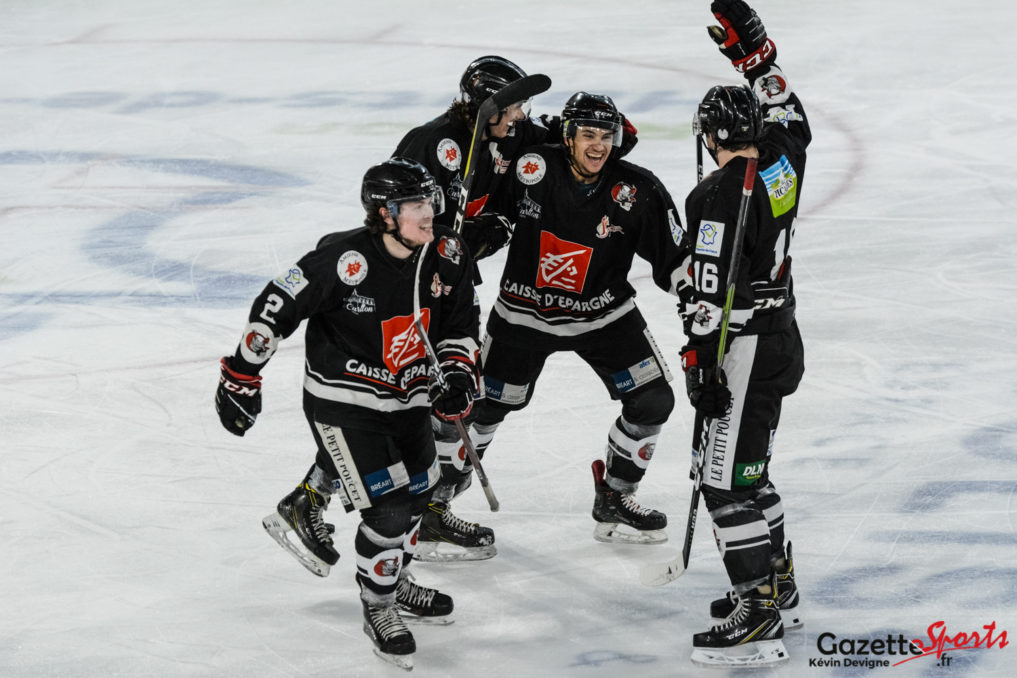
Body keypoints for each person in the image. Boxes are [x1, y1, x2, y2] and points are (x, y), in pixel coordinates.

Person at [214, 157, 479, 670]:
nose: (431, 213)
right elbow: (276, 305)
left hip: (408, 400)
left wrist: (459, 372)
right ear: (384, 213)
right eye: (417, 206)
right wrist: (241, 375)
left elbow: (461, 320)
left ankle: (395, 582)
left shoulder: (446, 252)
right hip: (344, 403)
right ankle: (378, 605)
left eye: (431, 202)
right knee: (389, 509)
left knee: (423, 492)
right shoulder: (343, 259)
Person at [394, 57, 643, 561]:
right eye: (514, 106)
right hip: (418, 285)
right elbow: (394, 215)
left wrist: (485, 233)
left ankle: (428, 513)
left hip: (459, 282)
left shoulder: (512, 136)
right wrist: (448, 240)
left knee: (453, 393)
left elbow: (601, 148)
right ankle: (334, 498)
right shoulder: (431, 144)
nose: (522, 115)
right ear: (484, 106)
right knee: (401, 399)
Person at [440, 90, 689, 549]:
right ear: (568, 136)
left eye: (606, 136)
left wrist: (698, 299)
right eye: (588, 135)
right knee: (480, 408)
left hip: (604, 315)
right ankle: (435, 504)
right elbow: (495, 215)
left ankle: (615, 495)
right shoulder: (532, 166)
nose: (598, 146)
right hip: (523, 314)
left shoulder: (638, 189)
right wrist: (470, 246)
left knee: (654, 401)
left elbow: (676, 262)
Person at [679, 0, 810, 668]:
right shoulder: (783, 160)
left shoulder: (713, 199)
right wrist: (755, 57)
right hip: (783, 334)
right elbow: (794, 119)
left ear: (709, 138)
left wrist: (700, 369)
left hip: (745, 350)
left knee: (721, 480)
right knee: (750, 469)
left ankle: (756, 611)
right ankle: (776, 582)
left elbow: (706, 296)